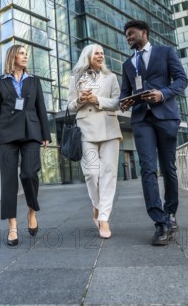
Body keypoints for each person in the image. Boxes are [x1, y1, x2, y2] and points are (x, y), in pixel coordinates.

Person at [119, 20, 188, 246]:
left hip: (166, 116)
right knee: (147, 168)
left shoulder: (165, 52)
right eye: (126, 35)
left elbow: (182, 80)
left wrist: (163, 93)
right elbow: (124, 93)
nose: (128, 37)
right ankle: (159, 222)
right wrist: (125, 102)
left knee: (168, 167)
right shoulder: (128, 64)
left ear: (143, 33)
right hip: (141, 120)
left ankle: (170, 212)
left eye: (131, 33)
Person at [0, 44, 51, 247]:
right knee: (8, 181)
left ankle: (31, 210)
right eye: (21, 53)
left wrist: (45, 134)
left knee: (30, 174)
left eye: (26, 54)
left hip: (31, 132)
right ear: (12, 57)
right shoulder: (1, 82)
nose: (25, 56)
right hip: (6, 134)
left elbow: (41, 107)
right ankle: (12, 227)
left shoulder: (34, 81)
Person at [67, 44, 122, 239]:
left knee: (109, 174)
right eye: (96, 53)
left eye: (102, 53)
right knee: (91, 173)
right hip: (86, 129)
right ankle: (97, 206)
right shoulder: (75, 78)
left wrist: (97, 99)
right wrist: (81, 100)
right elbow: (70, 105)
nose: (101, 56)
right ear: (88, 56)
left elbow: (117, 101)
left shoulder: (111, 77)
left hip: (109, 128)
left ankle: (104, 217)